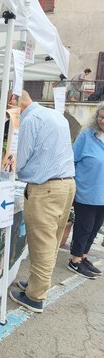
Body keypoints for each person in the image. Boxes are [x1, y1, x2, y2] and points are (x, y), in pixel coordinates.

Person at [10, 90, 76, 313]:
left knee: (42, 244)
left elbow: (20, 159)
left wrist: (5, 166)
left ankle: (35, 296)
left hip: (46, 188)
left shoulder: (30, 120)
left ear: (15, 104)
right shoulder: (56, 115)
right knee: (53, 240)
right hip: (66, 185)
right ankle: (37, 284)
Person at [67, 103, 104, 278]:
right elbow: (72, 161)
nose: (103, 121)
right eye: (101, 117)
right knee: (84, 227)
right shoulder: (87, 136)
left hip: (102, 194)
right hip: (86, 192)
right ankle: (75, 261)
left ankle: (83, 257)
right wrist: (74, 184)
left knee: (95, 228)